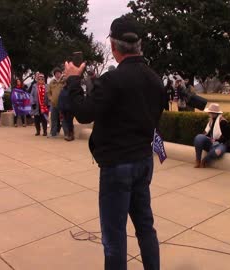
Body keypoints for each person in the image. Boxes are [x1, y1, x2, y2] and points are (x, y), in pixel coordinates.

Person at [65, 16, 164, 270]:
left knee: (114, 236)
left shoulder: (112, 80)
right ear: (139, 44)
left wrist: (74, 81)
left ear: (113, 47)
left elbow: (84, 113)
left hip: (117, 165)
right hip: (143, 161)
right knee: (145, 226)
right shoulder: (154, 79)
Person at [193, 103, 230, 168]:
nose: (209, 114)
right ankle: (198, 160)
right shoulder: (210, 121)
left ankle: (205, 161)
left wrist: (215, 140)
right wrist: (210, 139)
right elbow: (205, 133)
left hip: (220, 144)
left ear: (214, 113)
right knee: (198, 138)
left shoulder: (223, 122)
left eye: (210, 112)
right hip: (210, 143)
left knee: (216, 152)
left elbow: (226, 138)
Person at [47, 67, 65, 136]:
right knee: (53, 119)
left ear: (61, 74)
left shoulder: (64, 82)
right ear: (54, 75)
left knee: (63, 120)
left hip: (62, 104)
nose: (58, 74)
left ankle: (67, 133)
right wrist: (51, 98)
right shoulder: (52, 82)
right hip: (54, 104)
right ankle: (53, 133)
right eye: (56, 73)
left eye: (59, 73)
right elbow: (48, 92)